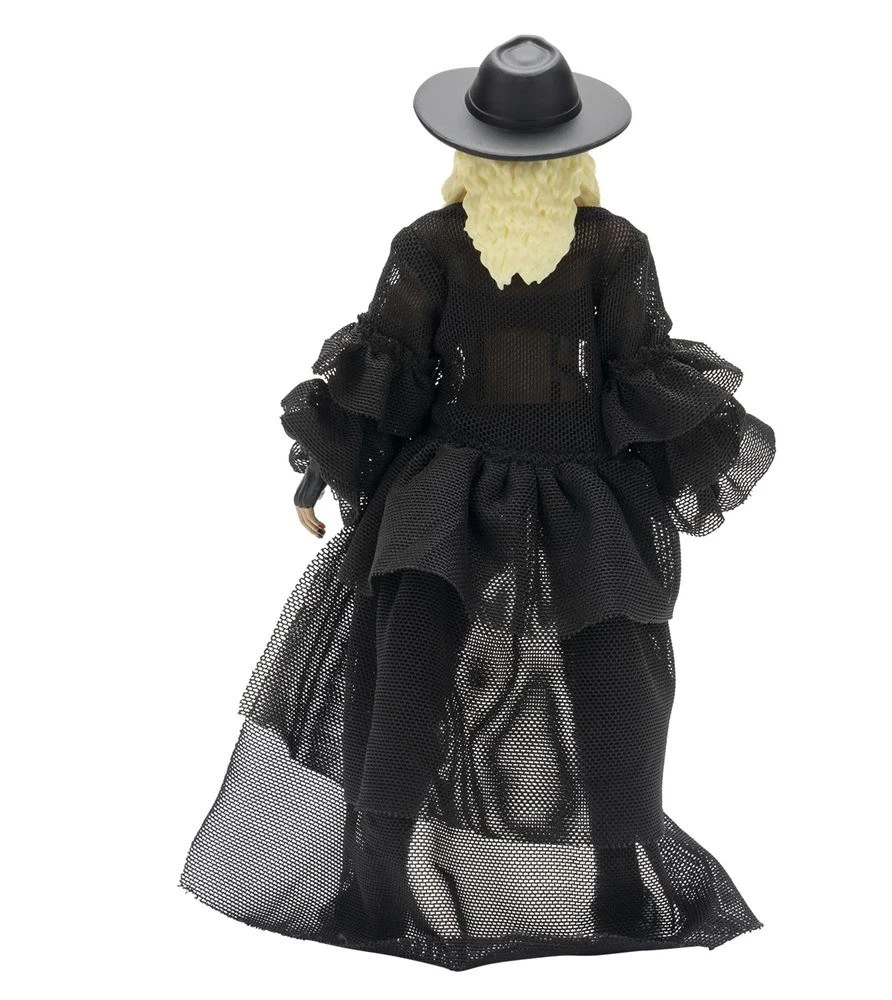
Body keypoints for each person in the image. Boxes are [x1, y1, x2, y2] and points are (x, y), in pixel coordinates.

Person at [180, 35, 776, 971]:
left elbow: (636, 368)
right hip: (457, 495)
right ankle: (382, 881)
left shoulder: (606, 248)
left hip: (553, 493)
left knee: (613, 681)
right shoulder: (437, 247)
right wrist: (322, 465)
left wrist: (692, 449)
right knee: (405, 675)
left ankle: (616, 877)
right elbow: (390, 369)